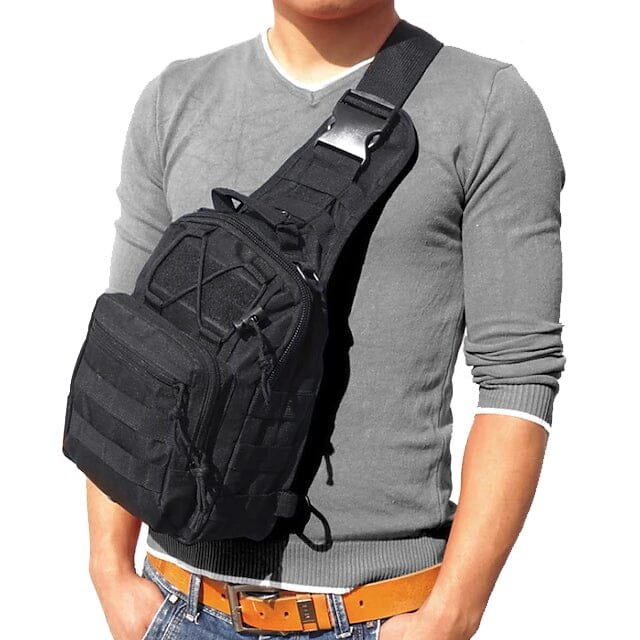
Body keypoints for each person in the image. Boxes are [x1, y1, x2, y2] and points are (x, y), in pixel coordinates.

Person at [87, 1, 566, 639]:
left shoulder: (488, 105)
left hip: (377, 611)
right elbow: (128, 356)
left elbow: (519, 376)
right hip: (180, 602)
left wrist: (453, 613)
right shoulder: (174, 99)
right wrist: (111, 572)